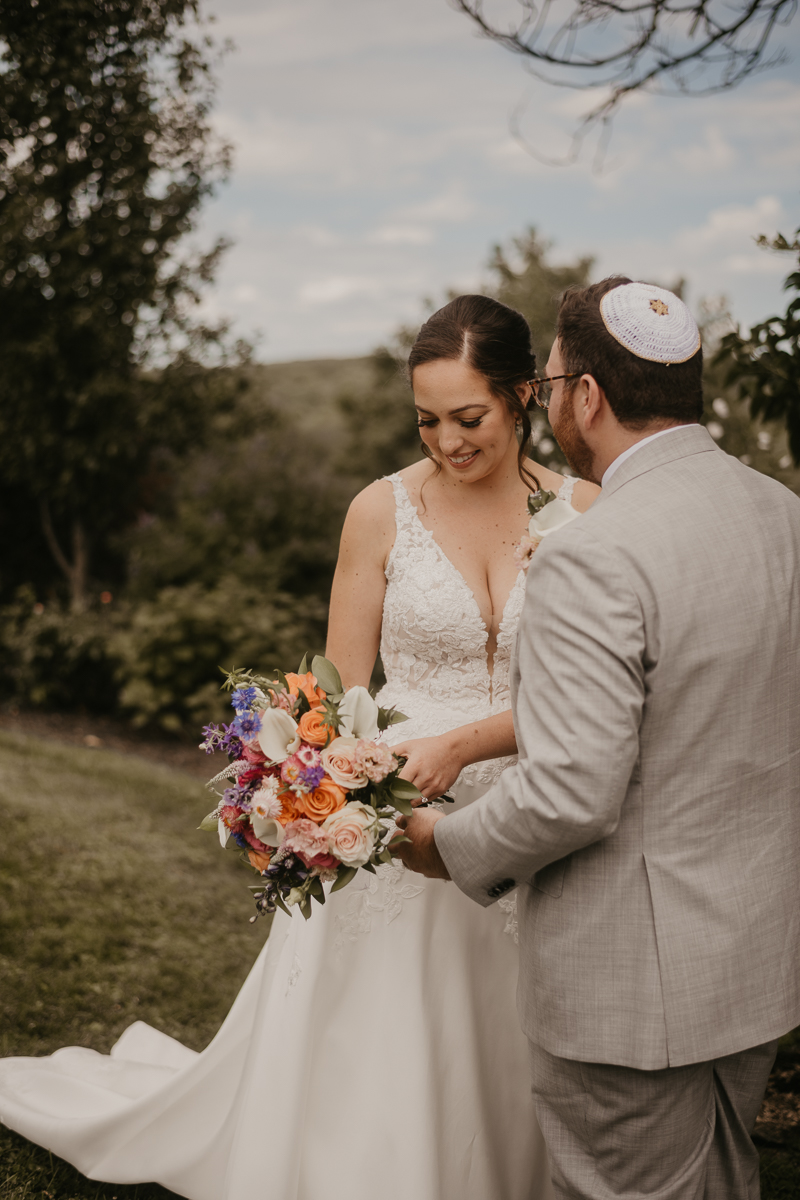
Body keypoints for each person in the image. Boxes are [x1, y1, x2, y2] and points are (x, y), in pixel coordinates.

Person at [0, 295, 598, 1200]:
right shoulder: (380, 510)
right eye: (427, 421)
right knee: (391, 1031)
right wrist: (315, 787)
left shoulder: (588, 512)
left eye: (468, 418)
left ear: (522, 396)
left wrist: (479, 746)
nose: (446, 442)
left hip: (537, 807)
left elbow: (597, 692)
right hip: (399, 805)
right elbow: (333, 689)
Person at [396, 278, 800, 1200]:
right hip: (756, 961)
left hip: (631, 993)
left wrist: (445, 845)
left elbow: (571, 789)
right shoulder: (782, 515)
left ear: (586, 394)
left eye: (550, 381)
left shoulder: (594, 551)